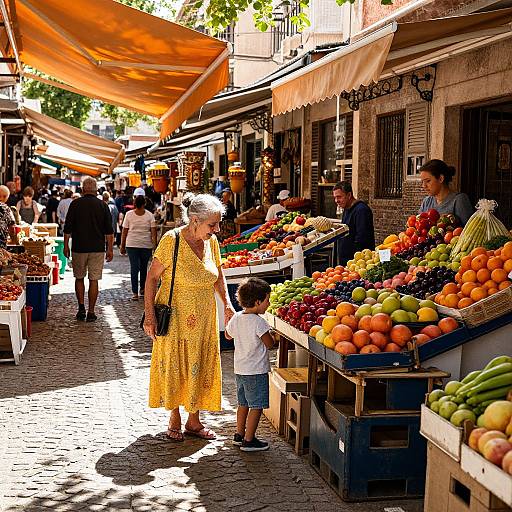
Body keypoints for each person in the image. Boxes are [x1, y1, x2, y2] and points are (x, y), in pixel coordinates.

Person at [143, 193, 235, 441]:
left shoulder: (211, 242)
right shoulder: (171, 240)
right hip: (175, 317)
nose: (216, 230)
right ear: (195, 220)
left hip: (204, 316)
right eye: (212, 225)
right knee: (175, 363)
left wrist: (227, 304)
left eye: (217, 224)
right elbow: (151, 279)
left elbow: (218, 273)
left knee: (201, 362)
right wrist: (149, 316)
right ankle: (174, 417)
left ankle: (194, 421)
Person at [225, 277, 275, 452]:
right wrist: (274, 336)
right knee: (257, 405)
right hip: (256, 371)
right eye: (267, 300)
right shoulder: (259, 322)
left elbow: (228, 336)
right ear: (258, 301)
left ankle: (239, 435)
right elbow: (270, 344)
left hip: (240, 369)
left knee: (243, 403)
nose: (268, 304)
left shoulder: (237, 317)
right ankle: (249, 439)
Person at [63, 177, 114, 322]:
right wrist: (110, 249)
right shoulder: (103, 205)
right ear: (96, 189)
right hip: (97, 249)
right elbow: (109, 231)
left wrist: (66, 246)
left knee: (79, 278)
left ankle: (81, 308)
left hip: (79, 248)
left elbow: (68, 228)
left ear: (83, 189)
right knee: (94, 280)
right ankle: (91, 311)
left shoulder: (75, 204)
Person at [120, 195, 157, 301]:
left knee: (134, 268)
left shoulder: (129, 215)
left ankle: (135, 293)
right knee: (144, 268)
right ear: (144, 204)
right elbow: (153, 232)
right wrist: (154, 246)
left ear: (134, 203)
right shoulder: (150, 215)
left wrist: (122, 246)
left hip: (131, 244)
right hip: (146, 245)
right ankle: (143, 289)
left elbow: (124, 231)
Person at [419, 159, 474, 226]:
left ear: (440, 179)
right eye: (422, 182)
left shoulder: (459, 200)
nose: (423, 186)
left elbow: (468, 230)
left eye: (428, 181)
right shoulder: (426, 202)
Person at [333, 181, 375, 266]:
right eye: (335, 197)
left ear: (349, 195)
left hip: (358, 263)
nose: (336, 201)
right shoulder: (346, 208)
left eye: (339, 197)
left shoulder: (361, 210)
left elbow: (362, 238)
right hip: (346, 263)